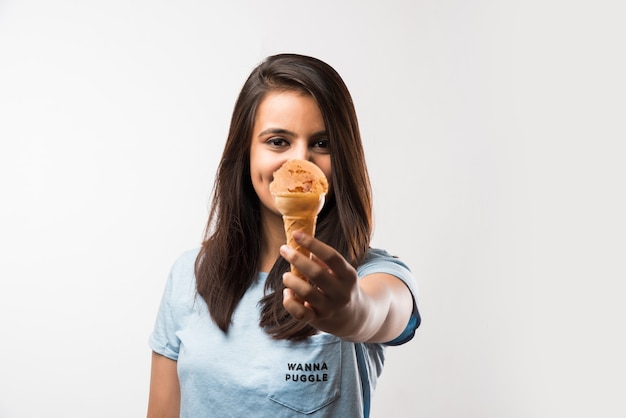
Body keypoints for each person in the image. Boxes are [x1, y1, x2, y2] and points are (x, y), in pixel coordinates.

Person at [147, 53, 421, 418]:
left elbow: (383, 308)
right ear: (245, 152)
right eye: (278, 141)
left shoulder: (367, 274)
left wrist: (352, 310)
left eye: (322, 143)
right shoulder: (188, 275)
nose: (300, 161)